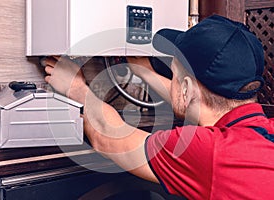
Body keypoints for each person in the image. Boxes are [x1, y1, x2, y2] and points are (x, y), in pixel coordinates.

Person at [42, 15, 274, 199]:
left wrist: (77, 89)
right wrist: (140, 69)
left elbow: (109, 138)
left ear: (185, 88)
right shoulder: (263, 134)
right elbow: (195, 101)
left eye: (172, 74)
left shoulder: (209, 151)